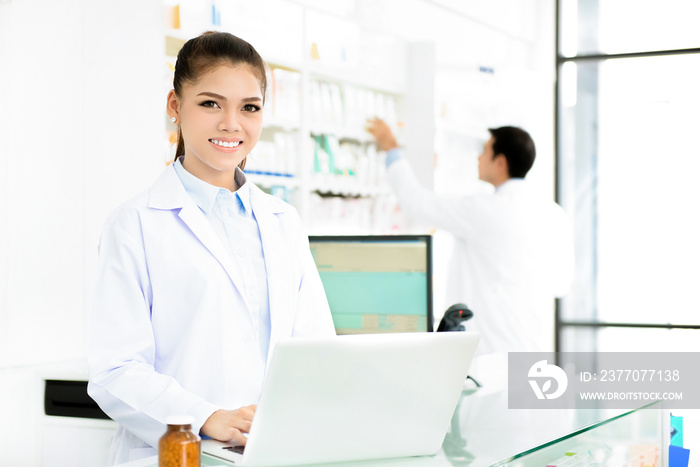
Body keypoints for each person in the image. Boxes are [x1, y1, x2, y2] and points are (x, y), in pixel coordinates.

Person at [88, 31, 335, 464]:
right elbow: (115, 371)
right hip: (180, 452)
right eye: (210, 103)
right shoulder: (134, 224)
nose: (231, 124)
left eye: (249, 108)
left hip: (272, 449)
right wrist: (205, 417)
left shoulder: (283, 222)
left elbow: (316, 351)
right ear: (174, 106)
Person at [366, 118, 573, 355]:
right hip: (532, 349)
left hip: (491, 352)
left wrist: (391, 147)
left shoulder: (484, 210)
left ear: (501, 162)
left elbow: (416, 201)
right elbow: (560, 285)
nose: (478, 158)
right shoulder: (555, 215)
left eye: (485, 151)